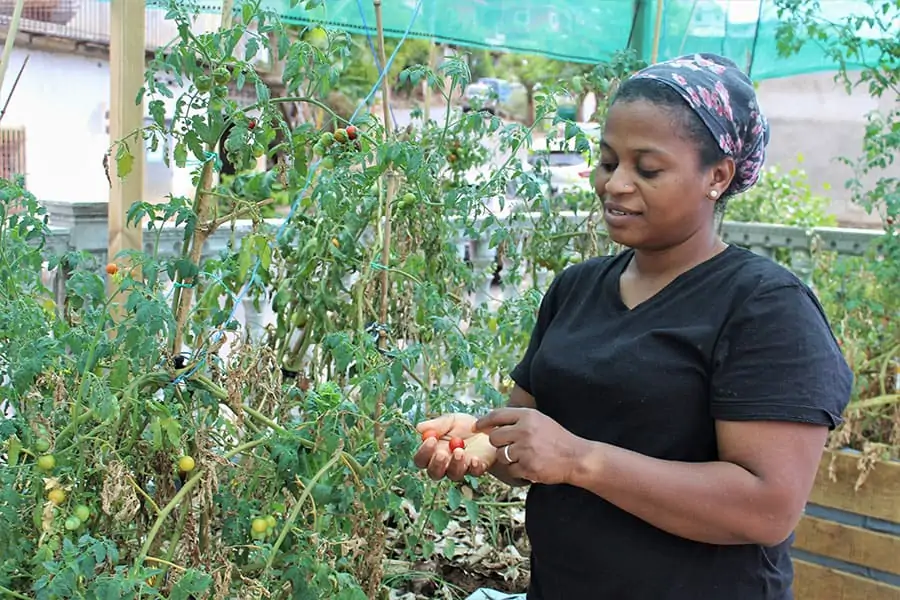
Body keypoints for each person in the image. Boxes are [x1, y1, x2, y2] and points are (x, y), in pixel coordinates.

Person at [412, 53, 853, 600]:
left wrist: (580, 461)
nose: (614, 184)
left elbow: (765, 508)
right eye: (608, 161)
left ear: (717, 176)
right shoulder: (576, 288)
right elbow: (536, 448)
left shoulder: (764, 308)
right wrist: (484, 445)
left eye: (647, 168)